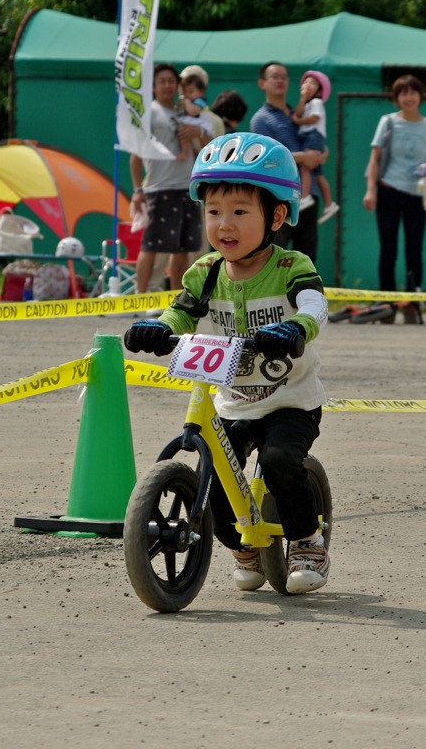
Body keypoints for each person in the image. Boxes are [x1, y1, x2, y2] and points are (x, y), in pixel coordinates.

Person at [124, 133, 331, 595]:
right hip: (232, 402)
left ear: (277, 215)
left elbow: (315, 305)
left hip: (290, 400)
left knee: (279, 461)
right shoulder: (205, 271)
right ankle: (244, 548)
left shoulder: (291, 265)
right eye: (214, 211)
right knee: (213, 479)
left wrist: (296, 328)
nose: (225, 224)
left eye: (240, 211)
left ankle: (306, 541)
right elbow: (181, 311)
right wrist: (159, 326)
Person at [363, 75, 426, 321]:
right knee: (388, 249)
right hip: (389, 190)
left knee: (414, 249)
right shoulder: (388, 122)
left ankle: (411, 303)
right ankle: (387, 302)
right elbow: (375, 158)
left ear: (420, 95)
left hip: (417, 193)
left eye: (412, 92)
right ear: (396, 98)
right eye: (402, 93)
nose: (408, 98)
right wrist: (370, 190)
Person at [129, 63, 209, 293]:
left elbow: (206, 146)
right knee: (151, 245)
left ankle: (175, 299)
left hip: (187, 187)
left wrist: (198, 132)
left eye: (171, 81)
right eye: (162, 80)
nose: (167, 85)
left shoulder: (185, 111)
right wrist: (137, 191)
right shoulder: (149, 113)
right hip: (159, 187)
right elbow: (135, 157)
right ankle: (139, 297)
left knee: (183, 248)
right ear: (153, 86)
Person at [250, 61, 326, 261]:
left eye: (284, 77)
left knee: (307, 256)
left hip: (308, 194)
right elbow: (264, 158)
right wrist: (304, 157)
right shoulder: (261, 119)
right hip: (279, 196)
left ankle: (305, 293)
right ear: (261, 83)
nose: (280, 81)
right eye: (274, 76)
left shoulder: (300, 114)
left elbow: (315, 138)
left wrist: (321, 153)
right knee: (274, 255)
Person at [291, 71, 340, 224]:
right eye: (305, 83)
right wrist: (302, 99)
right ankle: (329, 204)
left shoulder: (316, 103)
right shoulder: (307, 104)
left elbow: (314, 118)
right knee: (318, 175)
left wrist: (298, 122)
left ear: (319, 91)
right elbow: (297, 113)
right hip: (311, 137)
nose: (307, 85)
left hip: (312, 136)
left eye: (312, 83)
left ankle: (304, 197)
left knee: (305, 168)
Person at [175, 64, 222, 159]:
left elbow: (218, 152)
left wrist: (200, 133)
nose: (185, 92)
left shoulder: (215, 120)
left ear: (201, 90)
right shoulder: (173, 112)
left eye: (190, 89)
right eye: (183, 86)